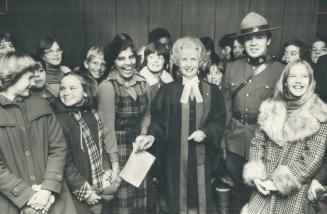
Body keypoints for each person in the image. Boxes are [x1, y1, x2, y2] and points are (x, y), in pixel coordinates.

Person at [140, 37, 226, 213]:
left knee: (202, 201)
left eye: (193, 59)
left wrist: (206, 132)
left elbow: (219, 120)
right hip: (175, 159)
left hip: (203, 158)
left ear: (200, 61)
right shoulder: (167, 91)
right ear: (177, 62)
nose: (188, 64)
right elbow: (158, 122)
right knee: (176, 202)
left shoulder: (213, 91)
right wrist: (151, 135)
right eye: (184, 59)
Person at [242, 59, 327, 214]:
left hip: (294, 191)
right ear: (285, 81)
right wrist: (256, 176)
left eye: (304, 76)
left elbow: (313, 158)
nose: (298, 81)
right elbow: (257, 143)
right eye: (293, 76)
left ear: (310, 82)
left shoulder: (319, 113)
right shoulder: (271, 106)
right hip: (264, 186)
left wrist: (278, 183)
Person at [222, 12, 285, 213]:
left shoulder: (280, 70)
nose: (254, 43)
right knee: (237, 190)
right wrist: (223, 140)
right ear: (242, 42)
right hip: (235, 140)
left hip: (267, 142)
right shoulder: (232, 68)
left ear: (268, 40)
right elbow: (226, 107)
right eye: (248, 39)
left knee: (262, 194)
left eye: (259, 37)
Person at [0, 52, 77, 214]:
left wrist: (47, 190)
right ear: (12, 77)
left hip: (53, 198)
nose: (34, 82)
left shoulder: (41, 104)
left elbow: (58, 148)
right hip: (12, 202)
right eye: (29, 78)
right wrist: (28, 196)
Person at [97, 33, 151, 214]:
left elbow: (147, 113)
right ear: (113, 62)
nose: (128, 63)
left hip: (139, 149)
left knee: (139, 200)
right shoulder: (107, 86)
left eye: (130, 57)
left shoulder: (143, 83)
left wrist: (143, 135)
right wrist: (114, 165)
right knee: (122, 205)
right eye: (121, 59)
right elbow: (107, 129)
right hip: (117, 149)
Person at [53, 71, 119, 214]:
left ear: (86, 92)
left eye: (72, 88)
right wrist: (85, 192)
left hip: (98, 185)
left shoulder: (92, 114)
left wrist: (107, 171)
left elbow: (100, 148)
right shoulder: (60, 120)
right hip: (77, 190)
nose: (65, 92)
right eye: (62, 88)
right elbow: (66, 163)